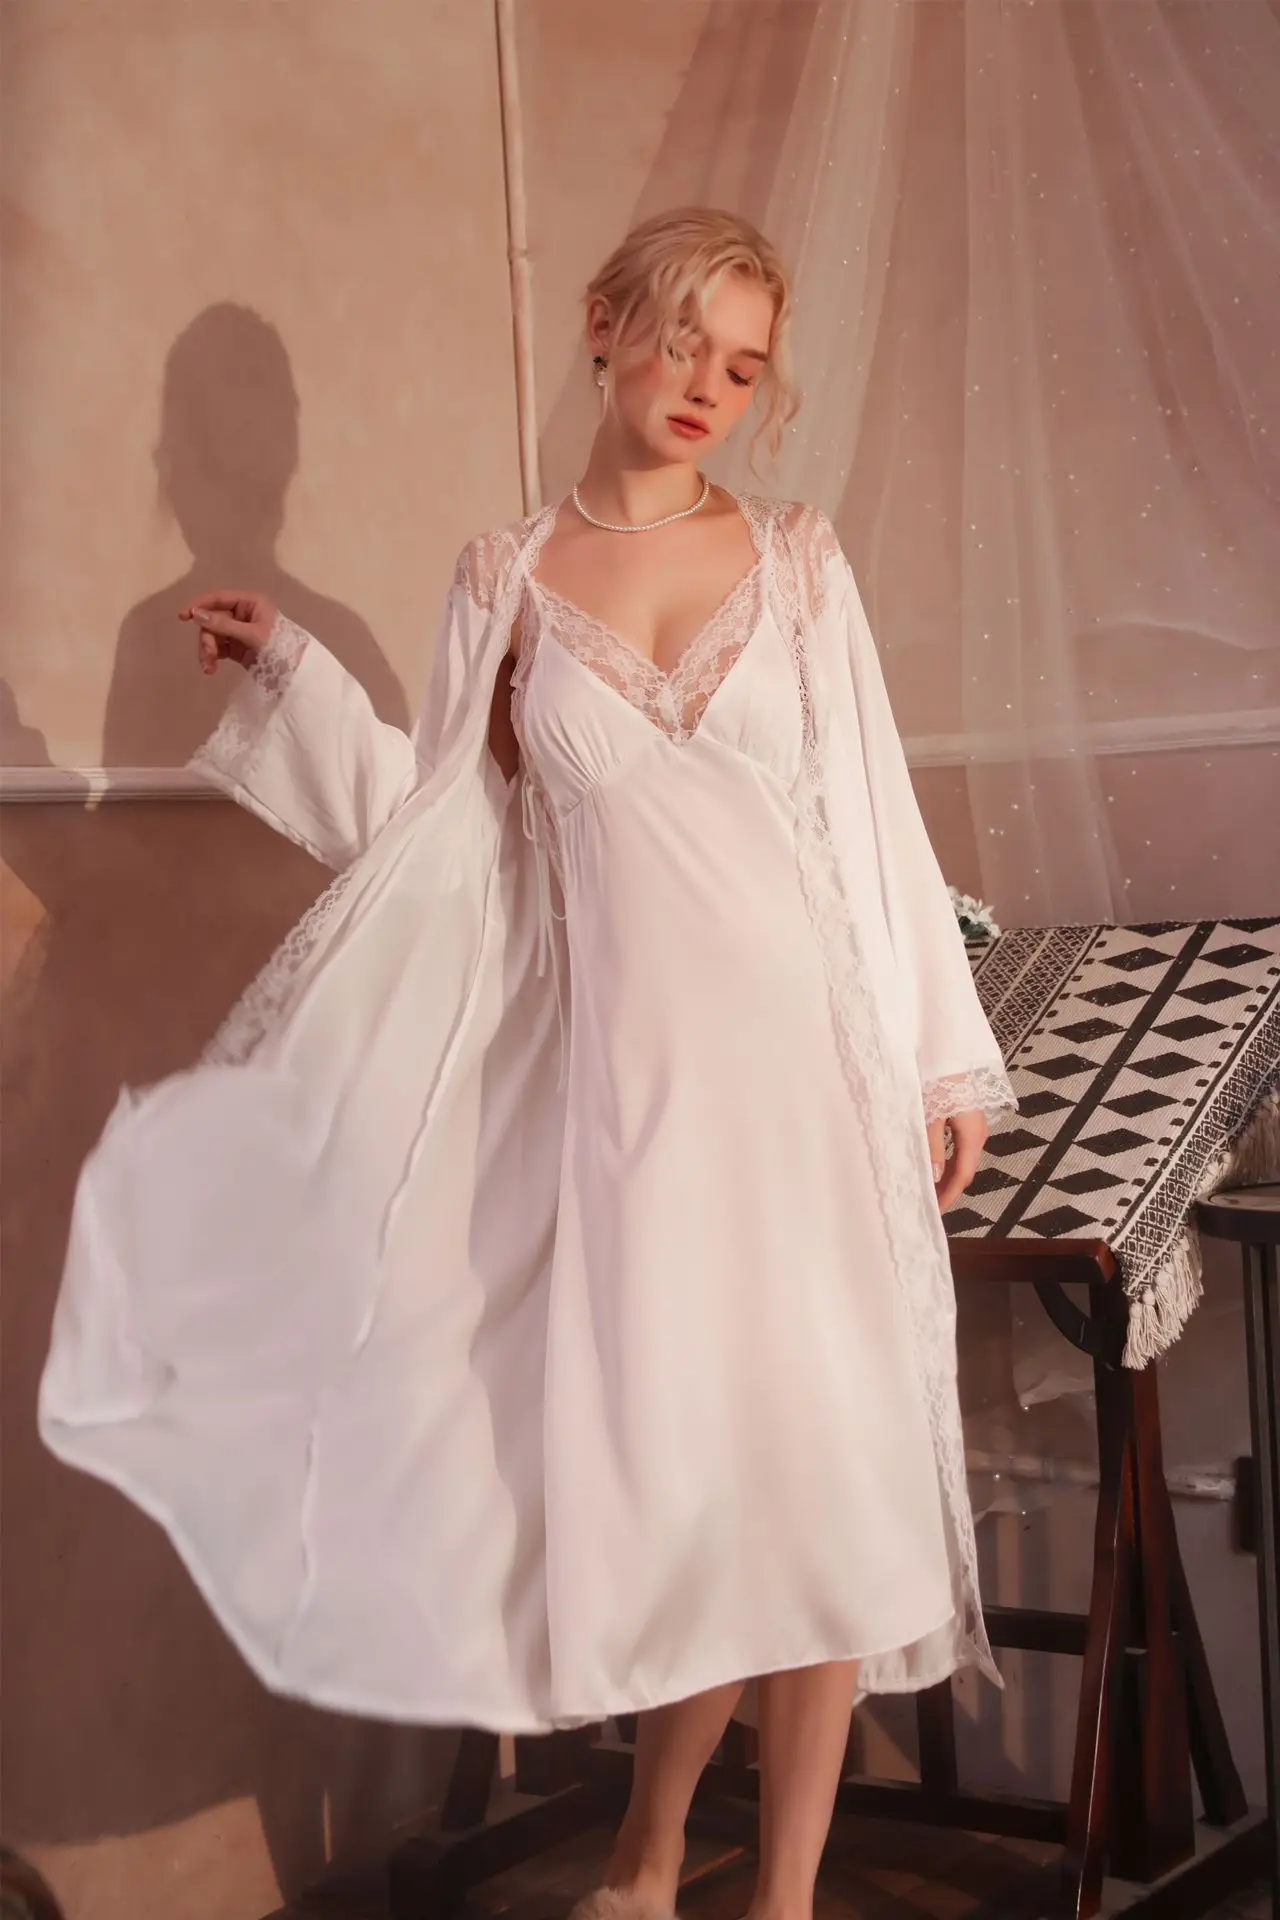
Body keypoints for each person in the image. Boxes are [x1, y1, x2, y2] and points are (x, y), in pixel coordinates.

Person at [40, 208, 1015, 1920]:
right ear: (603, 325)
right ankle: (647, 1859)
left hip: (816, 1085)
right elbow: (437, 836)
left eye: (744, 365)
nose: (707, 385)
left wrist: (942, 1065)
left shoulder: (798, 562)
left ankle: (779, 1897)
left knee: (827, 1482)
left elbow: (873, 820)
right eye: (683, 340)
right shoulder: (505, 579)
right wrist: (290, 675)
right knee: (698, 1490)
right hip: (638, 1107)